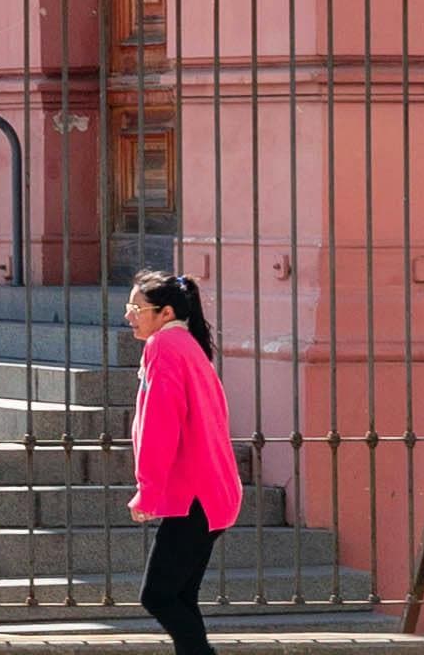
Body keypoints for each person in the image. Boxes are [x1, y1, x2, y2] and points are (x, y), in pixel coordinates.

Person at [125, 265, 241, 655]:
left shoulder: (164, 347)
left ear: (166, 314)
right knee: (180, 598)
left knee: (157, 596)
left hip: (194, 496)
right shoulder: (187, 345)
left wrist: (147, 490)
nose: (129, 315)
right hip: (211, 493)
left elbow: (161, 423)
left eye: (137, 307)